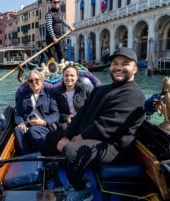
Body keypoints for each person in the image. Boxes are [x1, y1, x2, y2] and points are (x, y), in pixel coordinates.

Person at [46, 47, 146, 201]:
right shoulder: (100, 89)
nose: (119, 67)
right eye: (115, 63)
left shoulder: (134, 94)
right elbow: (81, 114)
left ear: (135, 68)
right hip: (92, 137)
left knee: (71, 150)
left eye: (125, 63)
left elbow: (107, 125)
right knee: (52, 138)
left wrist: (79, 138)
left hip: (114, 146)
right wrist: (67, 135)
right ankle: (75, 172)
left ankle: (81, 190)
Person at [14, 70, 60, 155]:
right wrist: (21, 123)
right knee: (18, 130)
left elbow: (56, 114)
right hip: (27, 124)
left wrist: (44, 122)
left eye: (36, 80)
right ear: (28, 83)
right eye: (31, 81)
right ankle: (28, 156)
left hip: (45, 126)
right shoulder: (23, 95)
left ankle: (47, 156)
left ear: (42, 81)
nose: (34, 82)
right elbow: (18, 114)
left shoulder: (49, 94)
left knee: (33, 130)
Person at [53, 63, 93, 130]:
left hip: (85, 120)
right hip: (68, 123)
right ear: (63, 77)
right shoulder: (58, 93)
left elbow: (93, 107)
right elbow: (57, 112)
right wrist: (66, 117)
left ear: (77, 77)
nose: (69, 78)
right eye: (66, 75)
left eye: (72, 75)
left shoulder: (86, 89)